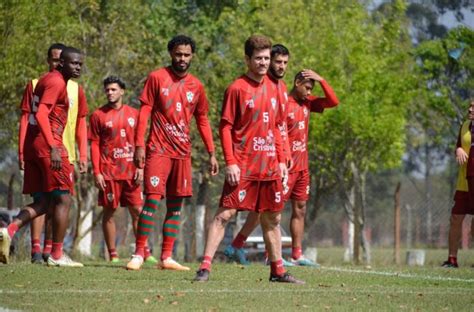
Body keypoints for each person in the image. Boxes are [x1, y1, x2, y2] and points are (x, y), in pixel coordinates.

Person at [194, 35, 304, 284]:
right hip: (243, 165)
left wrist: (283, 159)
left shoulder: (278, 88)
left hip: (270, 166)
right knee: (224, 215)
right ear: (247, 59)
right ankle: (204, 267)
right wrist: (230, 161)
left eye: (267, 58)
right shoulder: (236, 88)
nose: (264, 63)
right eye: (259, 58)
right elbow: (225, 127)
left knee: (272, 218)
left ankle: (277, 271)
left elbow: (278, 127)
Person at [126, 35, 218, 271]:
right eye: (178, 54)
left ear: (192, 56)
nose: (182, 59)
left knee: (176, 205)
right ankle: (139, 254)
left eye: (187, 55)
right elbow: (144, 113)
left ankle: (166, 257)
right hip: (158, 149)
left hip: (182, 153)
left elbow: (203, 120)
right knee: (153, 200)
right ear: (171, 54)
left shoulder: (197, 86)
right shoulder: (157, 78)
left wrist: (211, 152)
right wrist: (139, 146)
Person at [0, 47, 87, 267]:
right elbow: (39, 114)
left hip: (34, 146)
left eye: (80, 64)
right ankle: (56, 255)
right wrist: (53, 147)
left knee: (45, 201)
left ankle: (9, 229)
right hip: (49, 146)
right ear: (61, 63)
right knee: (64, 198)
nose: (78, 67)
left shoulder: (46, 80)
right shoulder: (57, 82)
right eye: (73, 63)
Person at [223, 44, 294, 266]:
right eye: (277, 61)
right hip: (253, 159)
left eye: (285, 62)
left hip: (275, 157)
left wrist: (284, 154)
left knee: (270, 211)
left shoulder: (280, 88)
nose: (280, 66)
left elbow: (279, 125)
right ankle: (265, 256)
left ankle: (249, 250)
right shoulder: (251, 87)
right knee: (263, 212)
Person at [90, 76, 145, 263]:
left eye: (113, 89)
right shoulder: (98, 115)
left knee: (138, 210)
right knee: (109, 212)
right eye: (107, 90)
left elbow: (140, 143)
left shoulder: (134, 114)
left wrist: (141, 167)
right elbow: (95, 145)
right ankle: (113, 255)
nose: (110, 93)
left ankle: (141, 251)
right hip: (109, 172)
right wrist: (96, 171)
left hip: (131, 171)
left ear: (122, 91)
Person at [442, 100, 474, 268]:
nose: (469, 109)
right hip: (464, 181)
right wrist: (459, 149)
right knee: (455, 218)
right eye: (469, 105)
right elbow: (458, 146)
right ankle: (452, 259)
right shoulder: (465, 126)